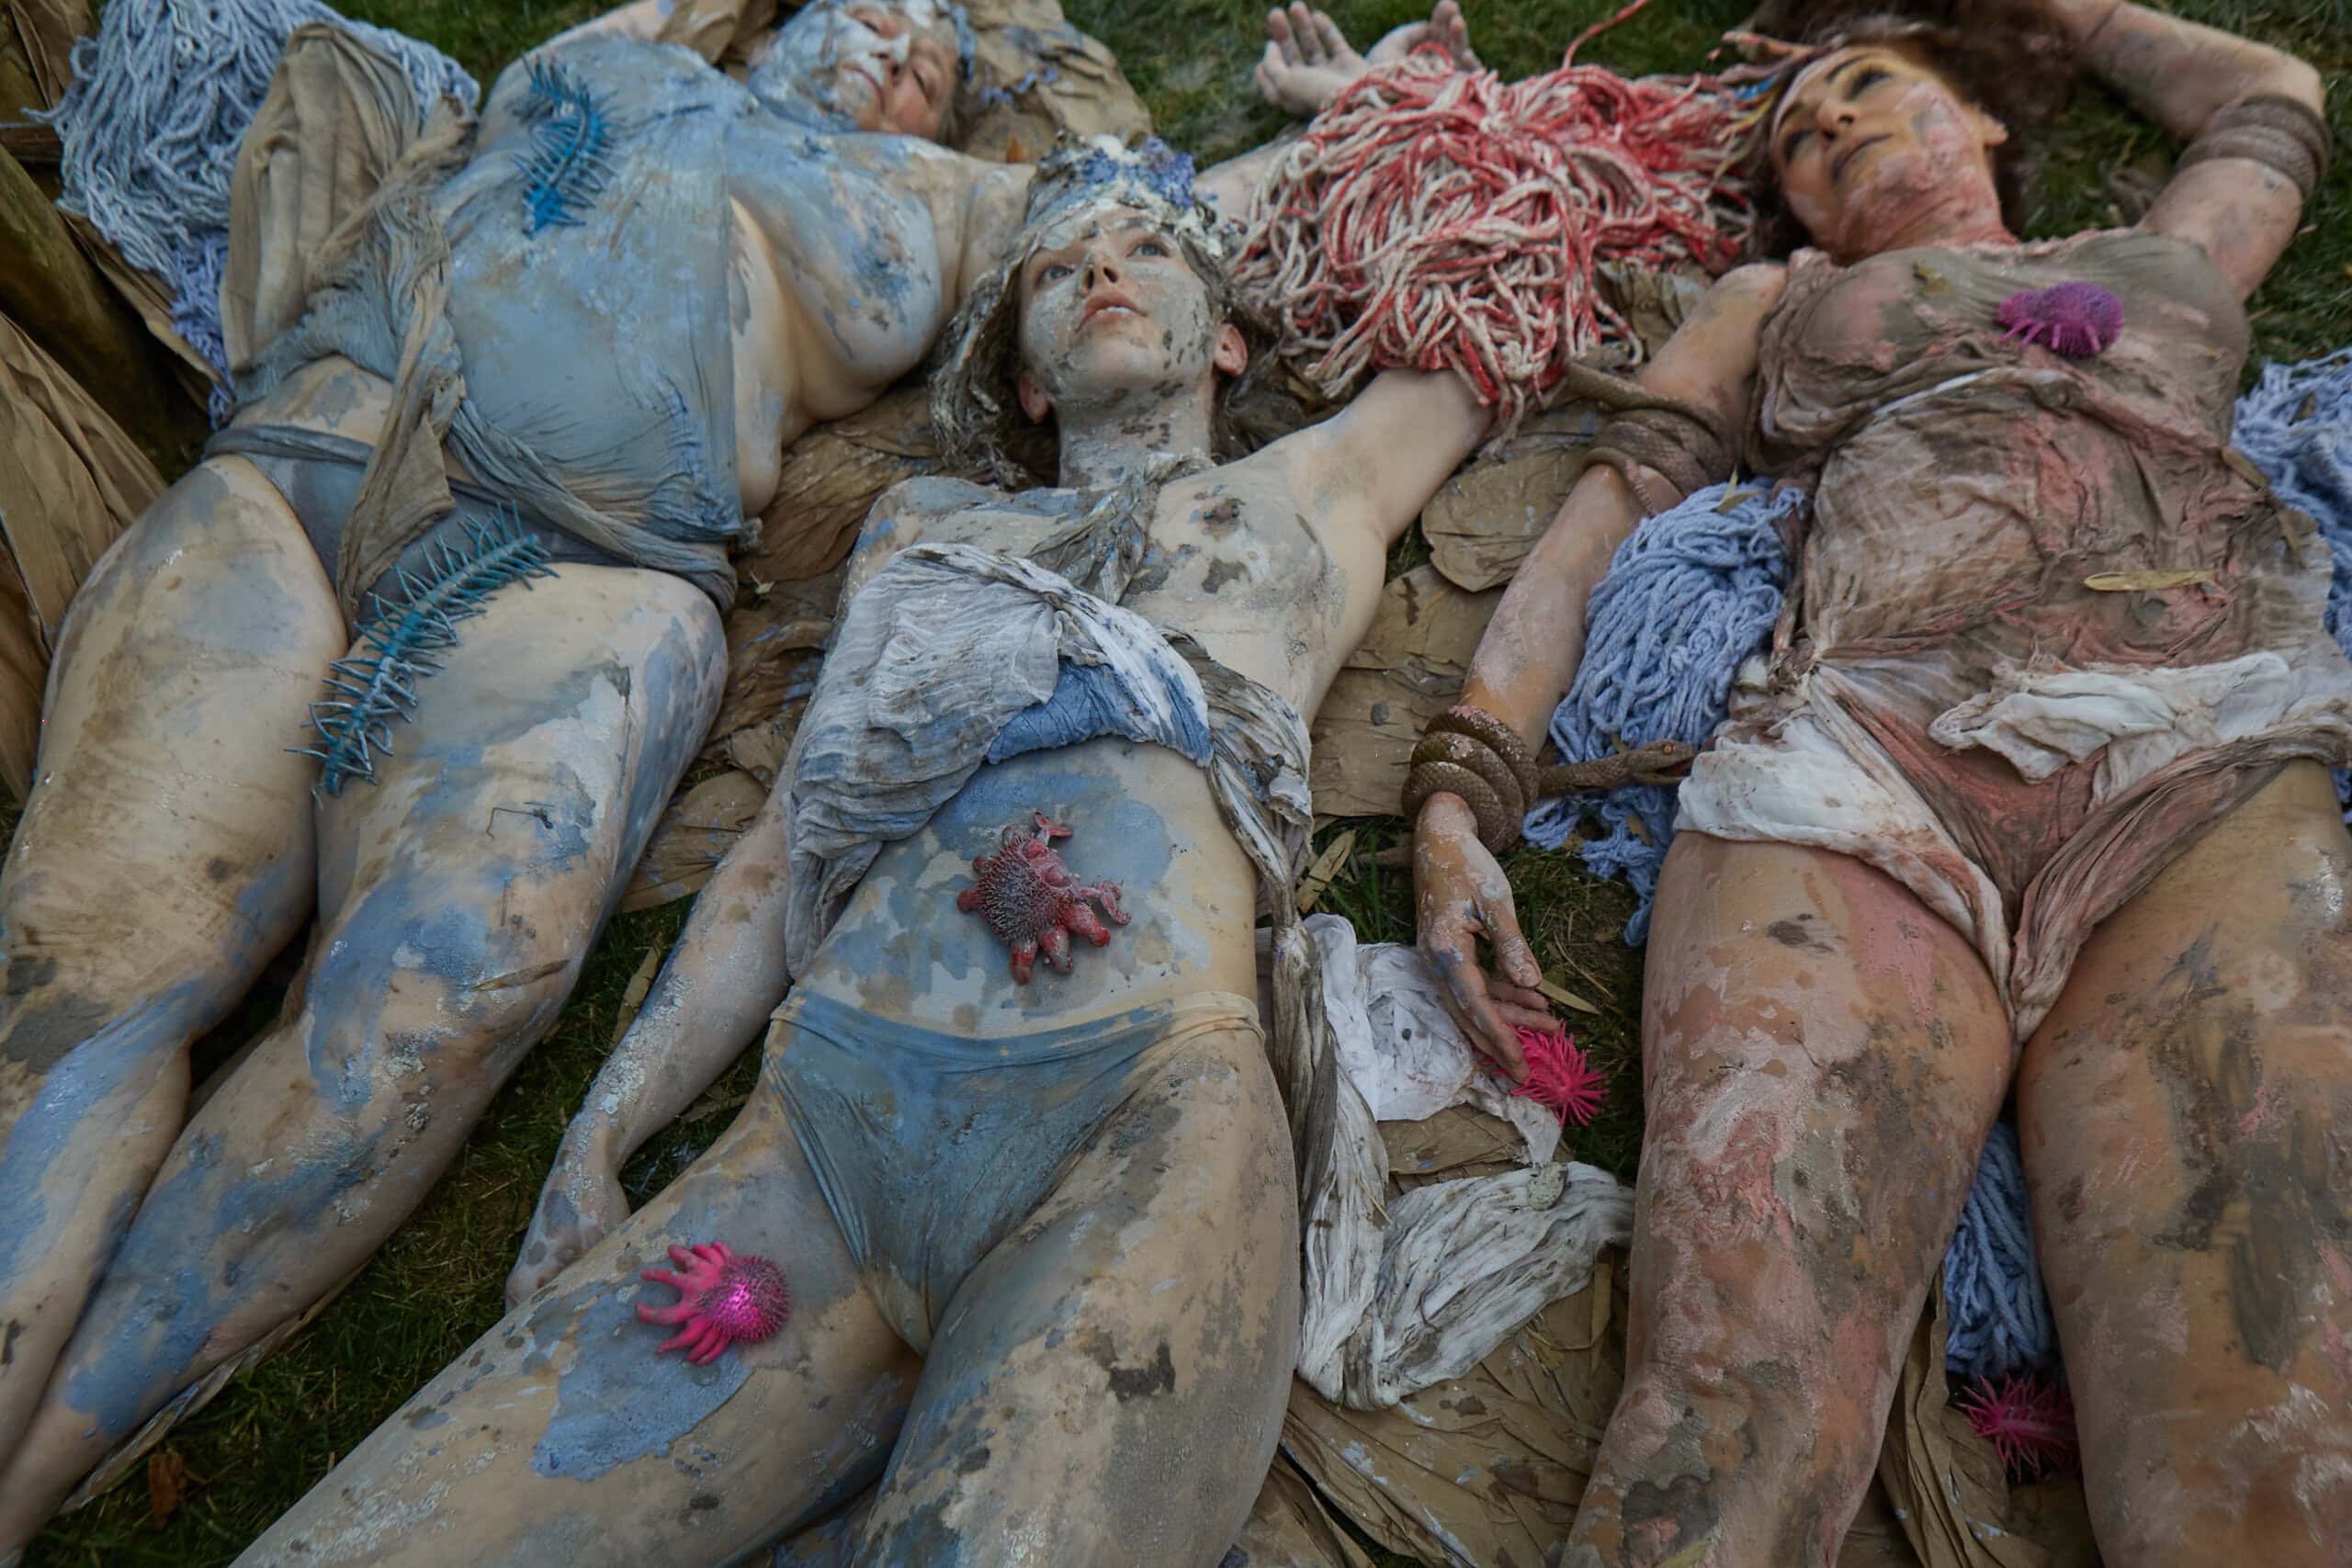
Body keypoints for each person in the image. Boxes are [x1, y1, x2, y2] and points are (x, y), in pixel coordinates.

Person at [0, 0, 1312, 1537]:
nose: (896, 45)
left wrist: (1341, 110)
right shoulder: (620, 54)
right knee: (91, 971)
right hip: (299, 473)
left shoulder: (951, 203)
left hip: (576, 564)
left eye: (935, 55)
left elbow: (1153, 229)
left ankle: (35, 1475)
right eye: (870, 9)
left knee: (447, 981)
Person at [228, 127, 1495, 1568]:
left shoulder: (1309, 493)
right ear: (1026, 381)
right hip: (825, 1132)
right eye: (1058, 269)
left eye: (1147, 250)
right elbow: (784, 852)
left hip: (1136, 1105)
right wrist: (601, 1136)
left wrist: (1356, 108)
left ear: (1225, 340)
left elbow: (1499, 299)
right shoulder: (927, 530)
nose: (1102, 271)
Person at [1405, 0, 2347, 1561]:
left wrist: (2045, 13)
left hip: (2205, 758)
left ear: (1980, 118)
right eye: (1798, 135)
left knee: (2272, 1463)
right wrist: (1463, 785)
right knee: (1726, 1420)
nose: (1833, 122)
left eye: (1870, 87)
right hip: (1858, 773)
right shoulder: (1782, 299)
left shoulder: (2166, 257)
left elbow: (2272, 91)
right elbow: (1601, 522)